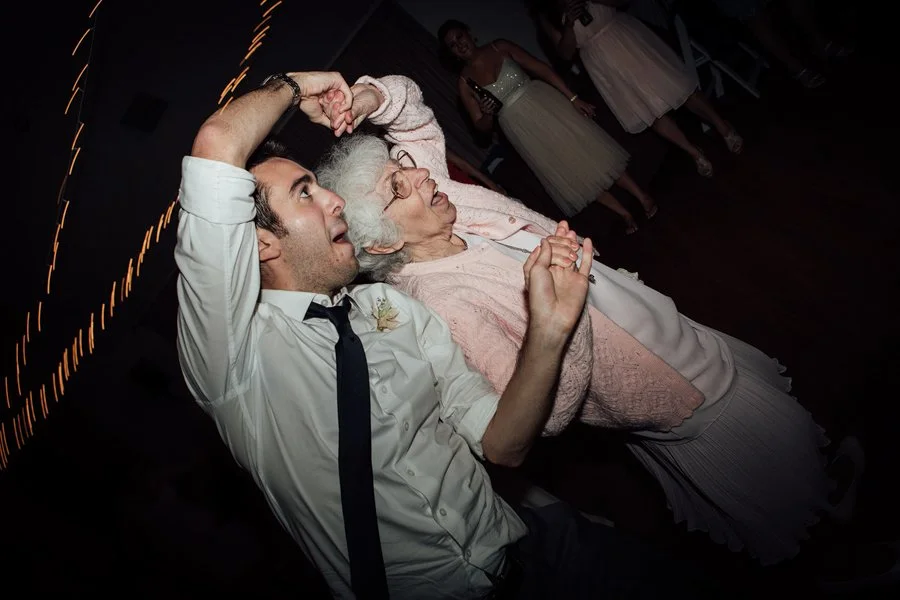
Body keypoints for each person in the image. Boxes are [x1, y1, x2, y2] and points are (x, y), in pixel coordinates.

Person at [174, 69, 713, 599]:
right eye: (304, 194)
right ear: (263, 245)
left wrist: (548, 335)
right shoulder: (237, 359)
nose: (333, 200)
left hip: (543, 549)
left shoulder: (389, 309)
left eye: (318, 187)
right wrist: (294, 86)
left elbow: (501, 444)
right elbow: (216, 145)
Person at [316, 72, 865, 568]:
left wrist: (369, 98)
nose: (418, 178)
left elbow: (412, 113)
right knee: (770, 478)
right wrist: (561, 320)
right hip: (664, 380)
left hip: (660, 328)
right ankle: (840, 550)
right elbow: (539, 415)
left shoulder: (442, 202)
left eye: (403, 168)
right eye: (396, 188)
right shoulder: (442, 302)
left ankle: (822, 488)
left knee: (780, 436)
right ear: (378, 240)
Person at [439, 19, 657, 235]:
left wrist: (573, 98)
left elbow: (542, 69)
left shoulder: (500, 47)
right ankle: (624, 213)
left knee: (593, 152)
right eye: (452, 44)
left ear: (469, 32)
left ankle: (642, 196)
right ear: (452, 54)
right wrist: (487, 114)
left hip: (545, 104)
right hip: (520, 128)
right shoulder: (465, 84)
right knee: (572, 170)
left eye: (459, 36)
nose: (459, 44)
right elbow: (481, 128)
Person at [536, 0, 743, 178]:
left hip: (628, 41)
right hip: (602, 65)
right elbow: (565, 54)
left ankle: (723, 127)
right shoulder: (548, 15)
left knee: (677, 87)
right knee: (648, 112)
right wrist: (569, 25)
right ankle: (694, 152)